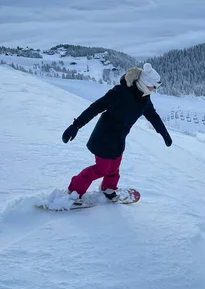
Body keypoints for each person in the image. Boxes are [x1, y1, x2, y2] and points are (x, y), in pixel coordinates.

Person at [61, 63, 172, 202]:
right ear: (145, 83)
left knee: (114, 167)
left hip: (119, 139)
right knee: (101, 169)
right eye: (154, 86)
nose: (154, 89)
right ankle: (74, 191)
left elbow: (153, 116)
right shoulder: (120, 92)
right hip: (104, 137)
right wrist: (75, 126)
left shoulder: (144, 98)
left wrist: (164, 133)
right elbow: (95, 107)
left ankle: (108, 188)